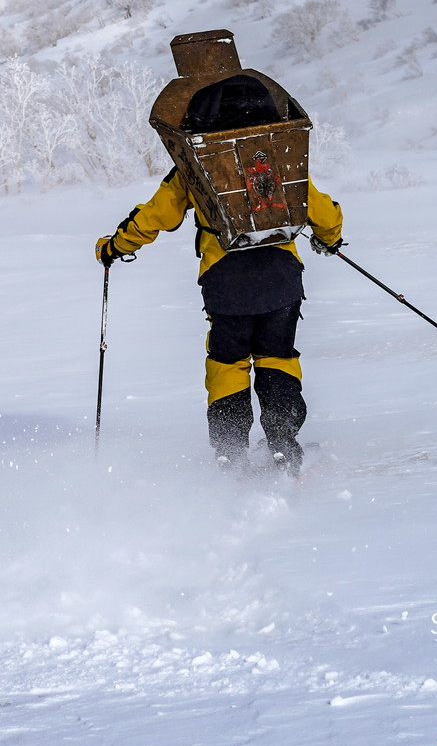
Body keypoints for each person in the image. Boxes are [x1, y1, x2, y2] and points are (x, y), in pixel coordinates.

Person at [95, 71, 343, 475]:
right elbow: (322, 211)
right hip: (280, 276)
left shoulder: (198, 162)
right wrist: (330, 239)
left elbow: (155, 215)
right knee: (277, 355)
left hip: (225, 281)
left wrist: (114, 248)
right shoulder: (277, 157)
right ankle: (282, 442)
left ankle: (229, 451)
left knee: (227, 362)